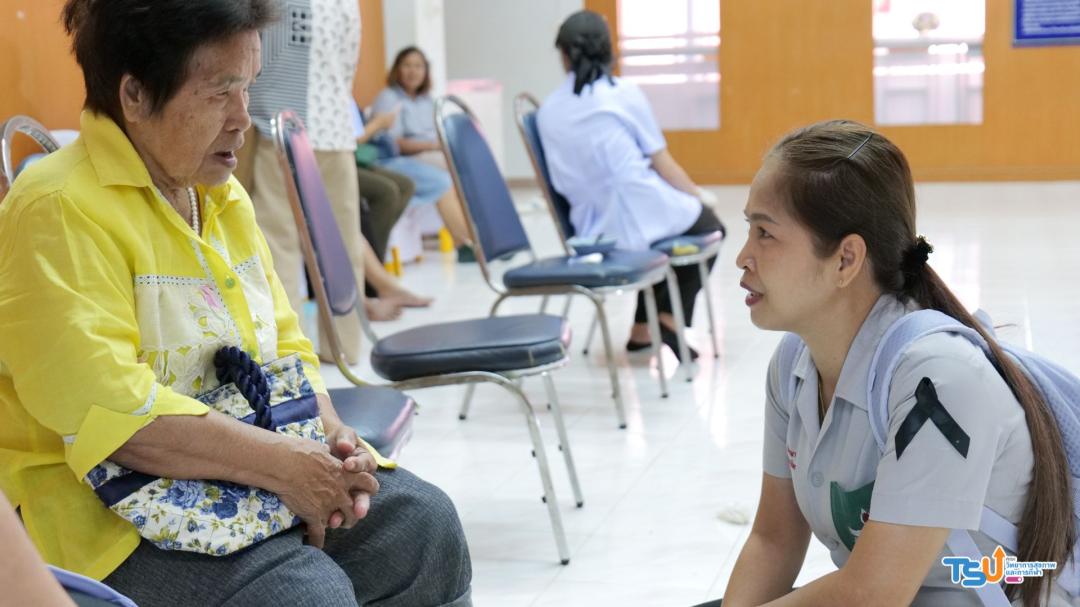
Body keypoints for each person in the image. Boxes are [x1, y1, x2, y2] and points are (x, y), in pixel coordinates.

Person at [0, 2, 472, 606]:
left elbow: (286, 346)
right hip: (105, 516)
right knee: (304, 594)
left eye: (247, 87)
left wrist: (331, 440)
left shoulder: (220, 196)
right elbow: (117, 418)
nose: (243, 118)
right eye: (220, 92)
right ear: (135, 95)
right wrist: (286, 466)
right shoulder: (58, 208)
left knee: (423, 528)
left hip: (245, 467)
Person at [709, 120, 1074, 606]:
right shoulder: (794, 364)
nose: (742, 257)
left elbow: (872, 594)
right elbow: (773, 541)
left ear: (846, 260)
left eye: (765, 233)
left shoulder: (940, 379)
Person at [537, 10, 725, 361]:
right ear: (609, 50)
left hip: (589, 229)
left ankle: (641, 331)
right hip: (636, 209)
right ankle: (668, 319)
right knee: (710, 227)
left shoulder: (547, 110)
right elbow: (662, 162)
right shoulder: (622, 93)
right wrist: (699, 195)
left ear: (564, 55)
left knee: (658, 239)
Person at [371, 46, 475, 261]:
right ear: (397, 69)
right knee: (446, 179)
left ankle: (479, 237)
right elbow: (393, 143)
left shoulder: (427, 100)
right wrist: (433, 146)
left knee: (469, 169)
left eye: (418, 66)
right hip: (397, 158)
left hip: (428, 155)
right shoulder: (389, 98)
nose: (413, 71)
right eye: (407, 65)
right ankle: (466, 242)